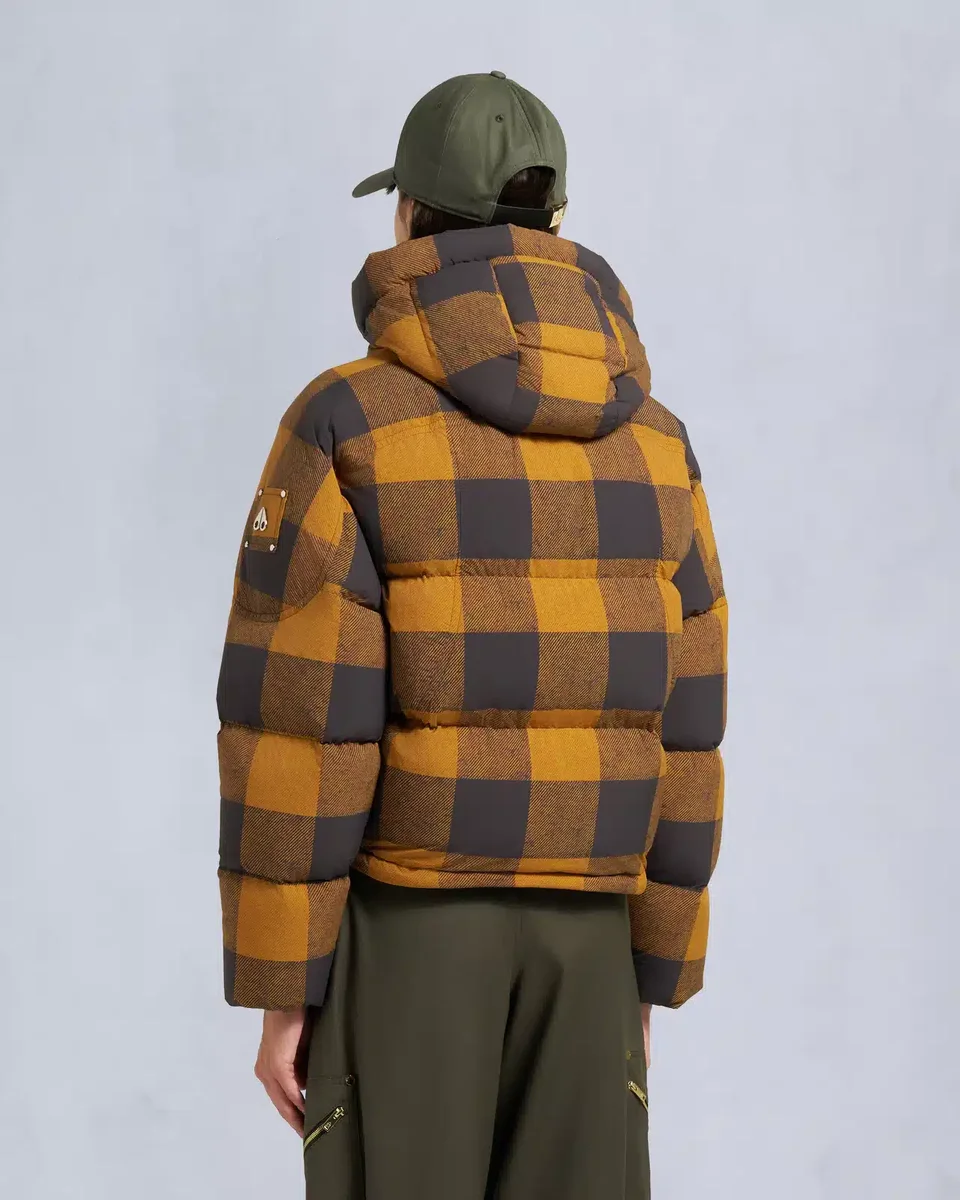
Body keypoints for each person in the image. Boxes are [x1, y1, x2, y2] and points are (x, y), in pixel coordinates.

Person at [216, 70, 727, 1200]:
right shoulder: (658, 444)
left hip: (410, 937)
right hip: (592, 942)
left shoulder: (347, 420)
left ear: (408, 217)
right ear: (557, 222)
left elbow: (300, 718)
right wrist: (648, 969)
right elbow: (689, 724)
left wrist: (285, 988)